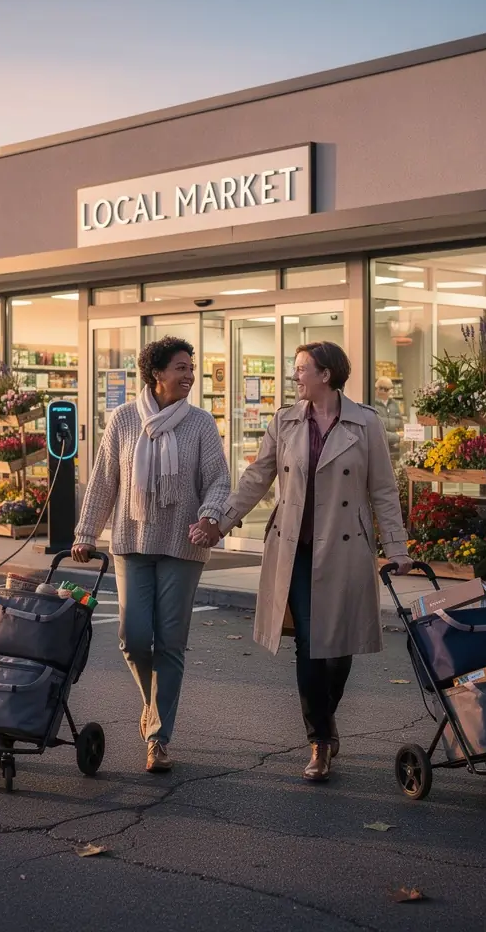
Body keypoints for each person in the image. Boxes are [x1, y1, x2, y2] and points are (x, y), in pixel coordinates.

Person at [190, 341, 412, 784]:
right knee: (309, 644)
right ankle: (320, 740)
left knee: (339, 649)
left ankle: (325, 718)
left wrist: (397, 547)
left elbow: (384, 490)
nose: (295, 377)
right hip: (296, 548)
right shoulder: (285, 421)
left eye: (301, 369)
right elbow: (257, 477)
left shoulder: (365, 423)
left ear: (325, 374)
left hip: (346, 548)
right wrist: (219, 522)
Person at [72, 336, 230, 774]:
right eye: (181, 367)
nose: (190, 375)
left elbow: (219, 480)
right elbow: (104, 481)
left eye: (191, 368)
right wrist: (86, 533)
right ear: (156, 373)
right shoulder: (124, 420)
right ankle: (151, 703)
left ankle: (158, 738)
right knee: (134, 637)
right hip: (132, 542)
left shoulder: (201, 424)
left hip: (184, 545)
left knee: (171, 643)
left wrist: (209, 517)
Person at [372, 377, 404, 461]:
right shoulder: (372, 405)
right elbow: (377, 432)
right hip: (379, 451)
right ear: (380, 390)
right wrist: (397, 436)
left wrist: (402, 435)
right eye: (389, 389)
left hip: (395, 451)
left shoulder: (394, 404)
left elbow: (400, 424)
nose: (392, 391)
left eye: (392, 388)